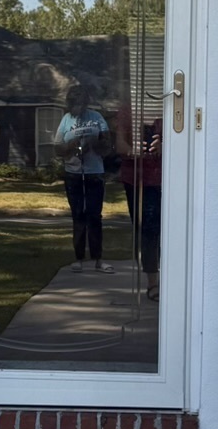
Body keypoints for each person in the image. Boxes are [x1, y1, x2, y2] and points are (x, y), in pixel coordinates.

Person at [53, 84, 111, 271]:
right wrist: (70, 145)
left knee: (94, 215)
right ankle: (79, 257)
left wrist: (95, 143)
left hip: (94, 171)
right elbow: (57, 148)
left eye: (80, 104)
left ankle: (97, 258)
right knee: (78, 215)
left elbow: (107, 147)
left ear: (85, 103)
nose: (77, 108)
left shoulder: (97, 118)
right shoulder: (66, 120)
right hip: (73, 173)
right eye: (74, 105)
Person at [118, 107, 162, 300]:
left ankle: (175, 281)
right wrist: (133, 150)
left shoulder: (170, 107)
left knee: (172, 231)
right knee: (147, 231)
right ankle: (153, 283)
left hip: (167, 178)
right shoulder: (128, 110)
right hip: (135, 180)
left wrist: (165, 145)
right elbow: (119, 144)